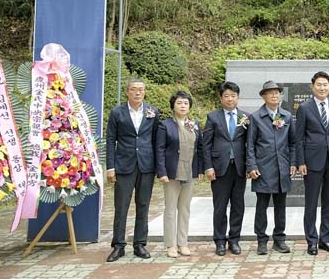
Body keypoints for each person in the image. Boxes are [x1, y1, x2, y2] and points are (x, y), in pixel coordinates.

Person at [105, 77, 160, 262]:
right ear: (127, 91)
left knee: (143, 205)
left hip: (146, 165)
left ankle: (140, 244)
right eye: (134, 89)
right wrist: (110, 167)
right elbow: (111, 140)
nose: (138, 93)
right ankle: (118, 245)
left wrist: (159, 167)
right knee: (121, 206)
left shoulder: (153, 112)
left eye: (141, 90)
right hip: (124, 165)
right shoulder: (117, 112)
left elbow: (155, 141)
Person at [295, 71, 329, 256]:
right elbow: (299, 137)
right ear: (312, 87)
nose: (322, 88)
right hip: (312, 162)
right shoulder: (305, 108)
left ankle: (325, 238)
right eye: (319, 85)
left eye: (325, 85)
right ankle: (312, 240)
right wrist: (300, 161)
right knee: (311, 202)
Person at [246, 80, 296, 255]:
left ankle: (279, 239)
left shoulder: (286, 116)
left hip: (282, 167)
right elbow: (250, 145)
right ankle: (261, 240)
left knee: (280, 206)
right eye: (270, 93)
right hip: (263, 168)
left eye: (277, 93)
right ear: (264, 96)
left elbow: (293, 143)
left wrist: (293, 163)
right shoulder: (256, 117)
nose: (275, 95)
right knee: (262, 206)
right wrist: (251, 165)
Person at [202, 81, 249, 256]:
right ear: (221, 98)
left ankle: (234, 240)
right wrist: (208, 166)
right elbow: (206, 144)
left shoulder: (245, 117)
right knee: (220, 206)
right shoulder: (213, 117)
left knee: (238, 205)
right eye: (227, 96)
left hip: (239, 168)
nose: (230, 99)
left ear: (238, 97)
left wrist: (249, 166)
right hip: (219, 168)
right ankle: (220, 241)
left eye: (233, 96)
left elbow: (249, 144)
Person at [156, 90, 203, 258]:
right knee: (170, 209)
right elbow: (160, 149)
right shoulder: (165, 125)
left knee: (185, 209)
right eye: (179, 103)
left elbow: (200, 149)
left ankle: (183, 243)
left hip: (189, 172)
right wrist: (161, 172)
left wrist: (200, 170)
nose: (183, 106)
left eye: (185, 103)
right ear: (173, 106)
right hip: (171, 173)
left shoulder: (194, 124)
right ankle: (170, 245)